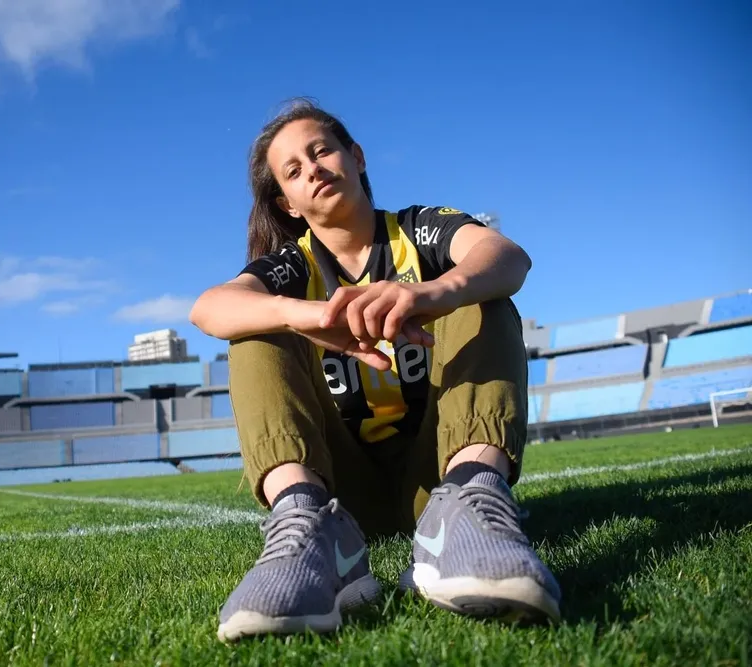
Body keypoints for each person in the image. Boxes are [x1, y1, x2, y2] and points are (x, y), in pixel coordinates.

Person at [189, 99, 561, 642]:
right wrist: (309, 316)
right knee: (254, 325)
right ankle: (305, 523)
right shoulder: (294, 265)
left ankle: (470, 500)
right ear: (287, 203)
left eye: (322, 151)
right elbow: (208, 308)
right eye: (293, 170)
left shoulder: (420, 229)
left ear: (357, 157)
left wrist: (433, 293)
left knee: (482, 293)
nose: (313, 169)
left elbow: (507, 256)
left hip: (436, 475)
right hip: (343, 494)